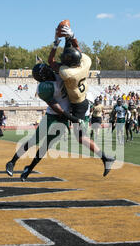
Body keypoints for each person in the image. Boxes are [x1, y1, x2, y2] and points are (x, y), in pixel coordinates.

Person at [48, 23, 115, 176]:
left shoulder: (67, 73)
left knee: (80, 138)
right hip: (81, 100)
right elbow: (78, 52)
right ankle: (106, 158)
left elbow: (51, 61)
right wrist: (72, 37)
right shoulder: (85, 64)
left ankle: (105, 158)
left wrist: (56, 42)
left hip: (78, 106)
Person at [6, 63, 81, 181]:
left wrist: (56, 45)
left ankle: (29, 169)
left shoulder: (60, 74)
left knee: (46, 146)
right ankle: (12, 162)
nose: (49, 69)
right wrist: (73, 119)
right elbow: (57, 108)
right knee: (34, 140)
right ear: (43, 76)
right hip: (52, 116)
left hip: (64, 118)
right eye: (46, 70)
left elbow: (56, 60)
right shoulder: (44, 87)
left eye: (47, 67)